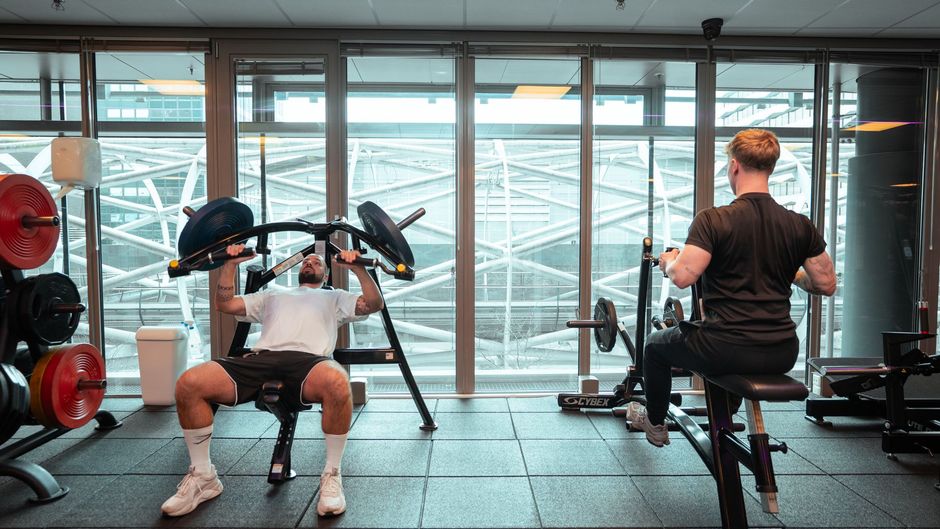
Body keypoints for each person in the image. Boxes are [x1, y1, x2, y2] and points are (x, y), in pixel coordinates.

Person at [630, 128, 836, 447]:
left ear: (735, 165)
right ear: (770, 167)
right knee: (715, 353)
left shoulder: (714, 220)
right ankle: (722, 421)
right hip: (782, 352)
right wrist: (791, 273)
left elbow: (684, 276)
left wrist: (670, 260)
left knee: (655, 346)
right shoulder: (798, 224)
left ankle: (655, 422)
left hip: (725, 348)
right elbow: (826, 283)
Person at [161, 244, 384, 517]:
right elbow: (225, 304)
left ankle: (332, 475)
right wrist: (230, 265)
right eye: (307, 261)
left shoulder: (334, 297)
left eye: (317, 262)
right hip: (261, 358)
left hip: (309, 362)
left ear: (325, 275)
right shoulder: (273, 294)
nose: (310, 263)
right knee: (189, 383)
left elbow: (373, 304)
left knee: (338, 382)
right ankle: (203, 477)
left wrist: (359, 269)